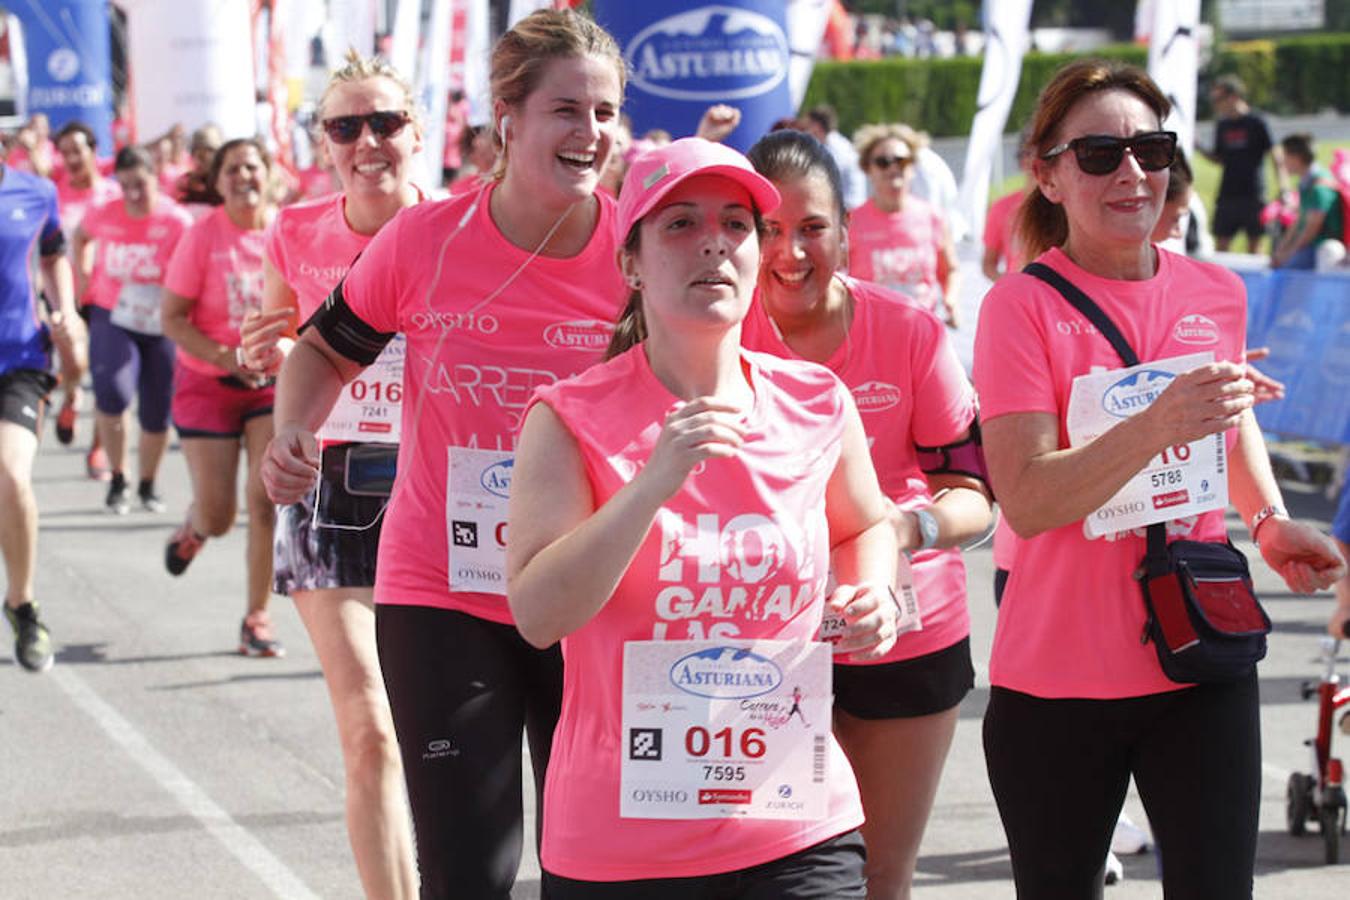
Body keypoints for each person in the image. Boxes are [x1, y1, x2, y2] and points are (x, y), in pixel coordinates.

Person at [258, 10, 627, 896]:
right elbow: (322, 349)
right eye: (566, 111)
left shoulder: (640, 248)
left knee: (595, 866)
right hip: (444, 592)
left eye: (606, 113)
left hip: (592, 590)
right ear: (508, 116)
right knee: (470, 873)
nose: (590, 134)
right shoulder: (427, 240)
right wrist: (295, 428)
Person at [973, 58, 1347, 897]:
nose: (1132, 172)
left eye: (1151, 147)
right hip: (1059, 678)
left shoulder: (1215, 289)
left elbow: (1228, 414)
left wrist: (1273, 518)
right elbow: (1028, 500)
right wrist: (1157, 424)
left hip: (1197, 655)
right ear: (1048, 173)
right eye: (1100, 153)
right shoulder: (1021, 307)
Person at [507, 135, 898, 898]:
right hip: (622, 849)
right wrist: (652, 482)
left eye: (735, 225)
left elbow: (865, 526)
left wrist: (874, 592)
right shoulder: (569, 417)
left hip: (796, 825)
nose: (712, 244)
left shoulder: (818, 401)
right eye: (680, 224)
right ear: (631, 260)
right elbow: (538, 614)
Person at [742, 129, 991, 899]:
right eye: (769, 230)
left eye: (812, 228)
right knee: (755, 876)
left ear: (845, 236)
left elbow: (976, 497)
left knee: (881, 876)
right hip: (755, 643)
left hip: (907, 633)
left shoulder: (908, 332)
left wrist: (905, 528)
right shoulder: (712, 331)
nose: (791, 252)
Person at [239, 50, 423, 899]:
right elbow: (282, 349)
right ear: (325, 144)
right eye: (346, 126)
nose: (368, 141)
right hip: (332, 480)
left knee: (439, 725)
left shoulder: (462, 225)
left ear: (417, 133)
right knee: (370, 727)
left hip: (444, 477)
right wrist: (260, 356)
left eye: (385, 122)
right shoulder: (297, 230)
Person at [160, 137, 284, 658]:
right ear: (217, 182)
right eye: (231, 170)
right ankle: (194, 528)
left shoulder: (286, 230)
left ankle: (257, 617)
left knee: (265, 500)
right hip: (208, 381)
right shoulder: (201, 235)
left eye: (251, 167)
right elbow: (171, 318)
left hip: (271, 385)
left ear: (268, 173)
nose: (242, 177)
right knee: (220, 516)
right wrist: (225, 356)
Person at [72, 146, 193, 514]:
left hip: (162, 320)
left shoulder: (177, 220)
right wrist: (83, 282)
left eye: (140, 184)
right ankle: (119, 477)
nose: (134, 195)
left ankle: (147, 483)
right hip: (114, 313)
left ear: (155, 175)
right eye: (126, 187)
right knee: (114, 393)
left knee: (157, 410)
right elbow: (79, 237)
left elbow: (193, 269)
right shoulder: (105, 211)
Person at [0, 157, 85, 672]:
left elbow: (53, 256)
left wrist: (66, 308)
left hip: (21, 360)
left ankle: (22, 604)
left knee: (12, 475)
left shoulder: (35, 193)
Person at [52, 121, 121, 466]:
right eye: (64, 152)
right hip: (66, 296)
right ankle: (71, 394)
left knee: (106, 375)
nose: (72, 158)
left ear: (94, 152)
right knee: (77, 363)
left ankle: (99, 447)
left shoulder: (112, 194)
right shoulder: (54, 194)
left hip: (106, 297)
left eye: (77, 150)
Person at [849, 124, 961, 329]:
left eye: (902, 161)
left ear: (912, 167)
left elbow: (950, 269)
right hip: (872, 334)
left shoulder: (932, 217)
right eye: (883, 162)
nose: (893, 168)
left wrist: (950, 300)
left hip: (923, 332)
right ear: (868, 169)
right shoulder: (851, 222)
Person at [1202, 75, 1287, 254]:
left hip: (1253, 194)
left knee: (1255, 248)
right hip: (1227, 194)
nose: (1216, 104)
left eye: (1218, 99)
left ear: (1234, 97)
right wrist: (1198, 146)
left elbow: (1275, 155)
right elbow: (1219, 158)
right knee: (1221, 248)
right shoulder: (1222, 125)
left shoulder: (1257, 122)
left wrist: (1284, 186)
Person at [1271, 133, 1347, 271]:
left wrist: (1288, 254)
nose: (1282, 162)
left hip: (1321, 247)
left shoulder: (1320, 187)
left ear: (1296, 158)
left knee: (1286, 272)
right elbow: (1300, 219)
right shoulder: (1306, 182)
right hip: (1310, 245)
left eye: (1285, 156)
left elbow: (1311, 229)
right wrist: (1280, 250)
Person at [803, 105, 866, 210]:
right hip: (844, 206)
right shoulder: (832, 143)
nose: (806, 130)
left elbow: (823, 181)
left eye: (808, 125)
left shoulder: (837, 149)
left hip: (849, 209)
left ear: (817, 125)